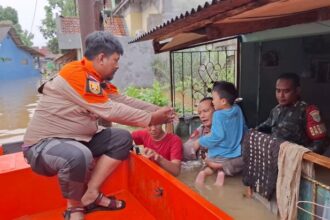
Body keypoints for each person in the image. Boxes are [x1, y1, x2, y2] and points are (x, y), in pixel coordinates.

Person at [22, 31, 175, 220]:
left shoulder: (97, 81)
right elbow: (111, 110)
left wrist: (159, 110)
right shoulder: (75, 73)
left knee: (122, 138)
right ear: (101, 58)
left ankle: (92, 193)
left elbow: (124, 101)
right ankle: (74, 208)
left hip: (77, 140)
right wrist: (152, 119)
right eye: (115, 60)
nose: (117, 66)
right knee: (78, 154)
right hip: (42, 146)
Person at [256, 73, 327, 153]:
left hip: (296, 160)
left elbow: (320, 143)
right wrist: (252, 132)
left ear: (297, 91)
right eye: (278, 91)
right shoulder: (276, 110)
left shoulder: (308, 111)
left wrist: (301, 155)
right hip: (275, 157)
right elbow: (266, 126)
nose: (281, 95)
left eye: (286, 91)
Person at [194, 81, 246, 186]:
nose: (212, 102)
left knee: (209, 165)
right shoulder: (237, 109)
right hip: (234, 152)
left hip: (218, 154)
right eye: (200, 113)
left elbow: (217, 136)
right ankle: (222, 173)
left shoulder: (218, 115)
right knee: (222, 168)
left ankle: (203, 174)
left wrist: (201, 141)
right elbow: (243, 126)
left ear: (223, 101)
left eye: (213, 99)